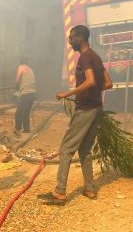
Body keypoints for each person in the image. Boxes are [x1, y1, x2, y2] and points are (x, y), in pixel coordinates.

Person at [38, 25, 113, 205]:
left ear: (81, 38)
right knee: (85, 150)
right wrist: (91, 91)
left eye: (72, 38)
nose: (70, 42)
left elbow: (91, 81)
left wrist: (68, 93)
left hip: (85, 109)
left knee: (66, 149)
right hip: (96, 108)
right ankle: (89, 188)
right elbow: (108, 83)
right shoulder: (96, 56)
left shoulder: (85, 58)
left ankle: (60, 191)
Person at [14, 57, 37, 134]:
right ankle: (26, 129)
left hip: (26, 93)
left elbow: (17, 79)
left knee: (19, 112)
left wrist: (17, 88)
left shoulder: (21, 67)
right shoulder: (30, 69)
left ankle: (17, 129)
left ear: (21, 62)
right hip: (33, 93)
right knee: (26, 112)